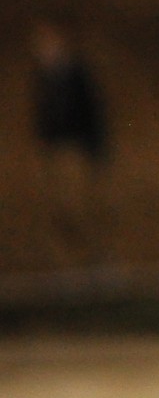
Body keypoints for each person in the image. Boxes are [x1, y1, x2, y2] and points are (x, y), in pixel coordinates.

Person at [29, 17, 110, 258]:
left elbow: (92, 110)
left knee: (80, 206)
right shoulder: (44, 76)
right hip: (55, 149)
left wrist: (95, 147)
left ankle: (94, 258)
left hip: (75, 148)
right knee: (59, 210)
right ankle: (70, 260)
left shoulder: (76, 72)